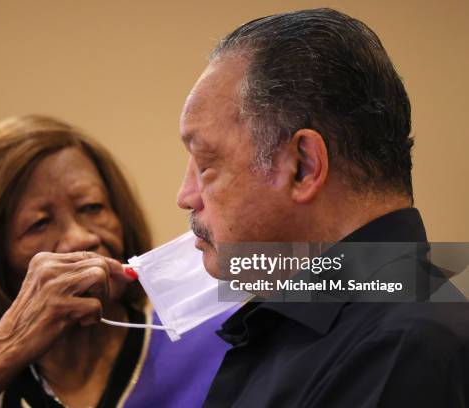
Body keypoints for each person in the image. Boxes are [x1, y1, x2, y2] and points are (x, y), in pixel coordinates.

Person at [176, 8, 469, 407]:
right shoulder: (308, 331)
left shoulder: (402, 346)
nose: (186, 196)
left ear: (303, 166)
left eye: (206, 164)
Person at [0, 115, 230, 408]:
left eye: (92, 208)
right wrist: (6, 349)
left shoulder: (211, 333)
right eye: (38, 223)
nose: (80, 237)